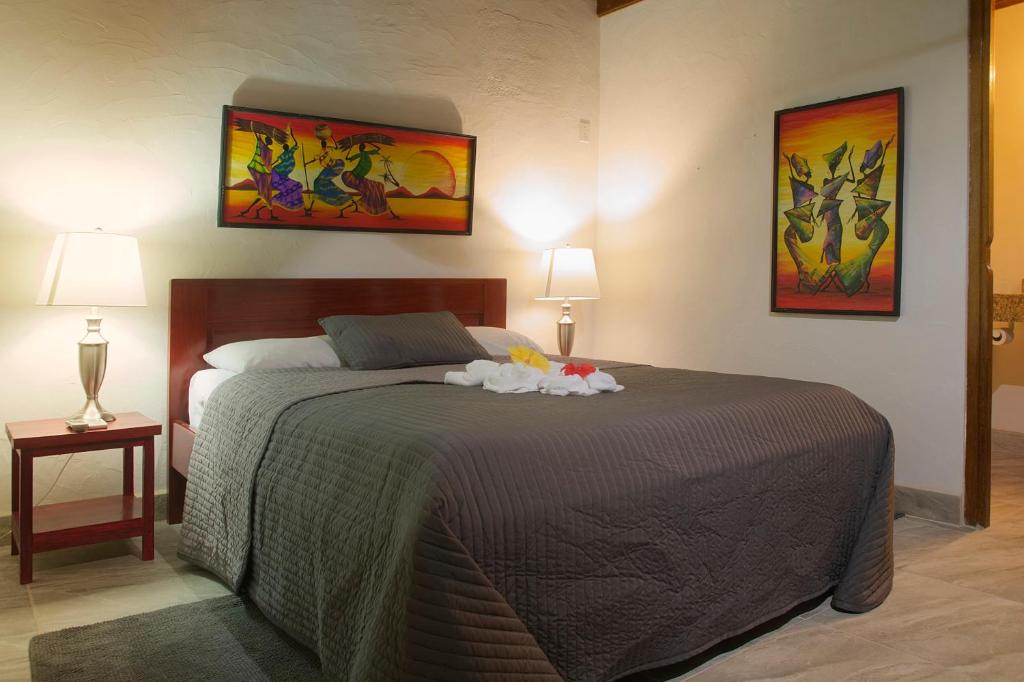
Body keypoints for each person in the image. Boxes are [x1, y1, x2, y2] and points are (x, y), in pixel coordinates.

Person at [341, 142, 400, 219]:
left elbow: (378, 149)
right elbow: (348, 159)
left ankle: (391, 213)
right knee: (371, 191)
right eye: (362, 147)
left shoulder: (365, 153)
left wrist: (371, 144)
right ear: (363, 148)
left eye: (361, 147)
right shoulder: (362, 154)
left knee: (379, 186)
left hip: (360, 177)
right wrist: (371, 144)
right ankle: (345, 209)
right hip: (355, 177)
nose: (361, 148)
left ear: (360, 148)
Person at [305, 139, 359, 218]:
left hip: (335, 167)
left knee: (319, 182)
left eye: (324, 144)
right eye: (323, 144)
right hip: (330, 168)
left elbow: (335, 148)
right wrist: (307, 163)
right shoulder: (322, 151)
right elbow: (315, 159)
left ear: (324, 144)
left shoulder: (328, 149)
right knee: (318, 182)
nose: (323, 145)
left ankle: (345, 199)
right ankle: (312, 206)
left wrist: (333, 140)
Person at [238, 133, 277, 220]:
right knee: (266, 196)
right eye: (269, 141)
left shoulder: (267, 150)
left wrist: (257, 134)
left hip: (266, 176)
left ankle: (248, 210)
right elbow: (259, 143)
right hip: (264, 176)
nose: (270, 142)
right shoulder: (264, 149)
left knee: (264, 196)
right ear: (267, 141)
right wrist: (257, 133)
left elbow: (268, 163)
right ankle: (269, 215)